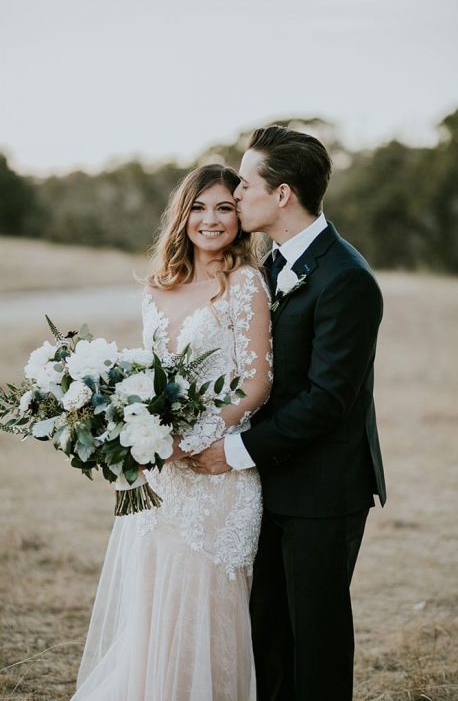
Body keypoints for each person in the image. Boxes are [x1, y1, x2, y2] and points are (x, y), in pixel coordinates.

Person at [192, 127, 387, 701]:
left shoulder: (347, 278)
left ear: (282, 195)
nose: (236, 191)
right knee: (270, 633)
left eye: (246, 184)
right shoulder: (269, 266)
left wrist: (231, 452)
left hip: (325, 490)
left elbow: (329, 401)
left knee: (317, 641)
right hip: (270, 482)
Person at [72, 164, 273, 700]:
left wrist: (194, 442)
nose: (211, 220)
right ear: (183, 215)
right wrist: (131, 430)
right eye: (200, 207)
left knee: (209, 609)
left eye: (226, 207)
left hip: (218, 477)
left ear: (240, 217)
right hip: (162, 479)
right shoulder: (160, 287)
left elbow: (255, 385)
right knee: (155, 602)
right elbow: (152, 379)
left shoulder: (246, 283)